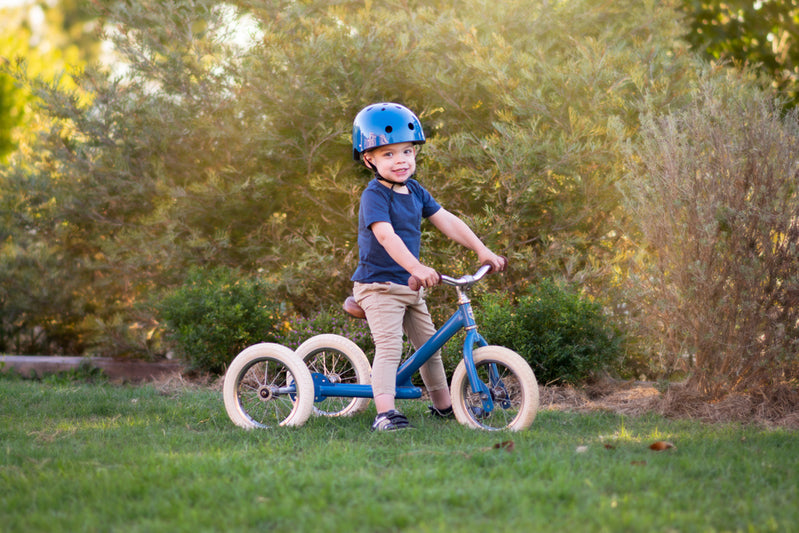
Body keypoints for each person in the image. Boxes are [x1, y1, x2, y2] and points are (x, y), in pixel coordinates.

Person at [350, 102, 506, 431]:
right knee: (390, 347)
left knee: (430, 348)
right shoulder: (375, 195)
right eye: (388, 154)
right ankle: (385, 414)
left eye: (407, 151)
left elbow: (446, 221)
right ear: (369, 159)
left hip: (409, 288)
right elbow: (386, 236)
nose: (401, 160)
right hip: (378, 286)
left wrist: (482, 249)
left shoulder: (416, 190)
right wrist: (417, 267)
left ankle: (444, 407)